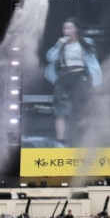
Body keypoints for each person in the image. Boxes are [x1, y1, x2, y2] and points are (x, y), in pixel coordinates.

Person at [44, 18, 102, 146]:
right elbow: (50, 58)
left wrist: (97, 83)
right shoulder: (60, 44)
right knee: (61, 111)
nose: (66, 31)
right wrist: (59, 45)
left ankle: (81, 138)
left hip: (80, 77)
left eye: (69, 28)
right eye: (64, 28)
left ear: (76, 29)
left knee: (81, 110)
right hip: (64, 78)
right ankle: (61, 141)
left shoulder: (86, 43)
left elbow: (93, 63)